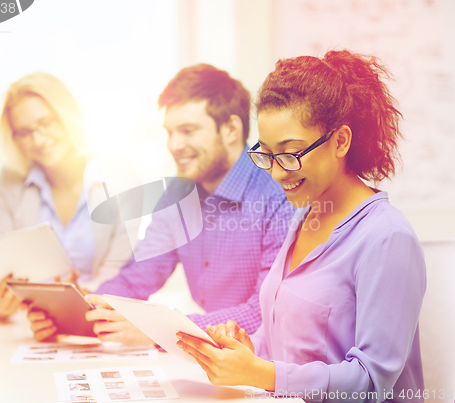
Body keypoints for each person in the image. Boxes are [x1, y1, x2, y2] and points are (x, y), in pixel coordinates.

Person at [176, 50, 426, 402]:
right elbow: (285, 339)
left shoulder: (387, 238)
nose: (277, 173)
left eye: (291, 153)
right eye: (266, 153)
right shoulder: (304, 215)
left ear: (340, 141)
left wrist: (262, 373)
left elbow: (372, 382)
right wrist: (250, 350)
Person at [28, 64, 295, 343]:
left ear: (230, 129)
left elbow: (265, 313)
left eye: (188, 130)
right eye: (169, 132)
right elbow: (137, 277)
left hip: (268, 361)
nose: (174, 144)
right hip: (217, 359)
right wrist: (78, 312)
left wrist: (158, 330)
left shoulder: (280, 197)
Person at [0, 72, 135, 320]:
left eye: (46, 122)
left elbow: (120, 269)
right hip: (30, 323)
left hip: (99, 316)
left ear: (67, 116)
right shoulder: (5, 185)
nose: (38, 139)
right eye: (24, 132)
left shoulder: (121, 177)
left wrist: (77, 301)